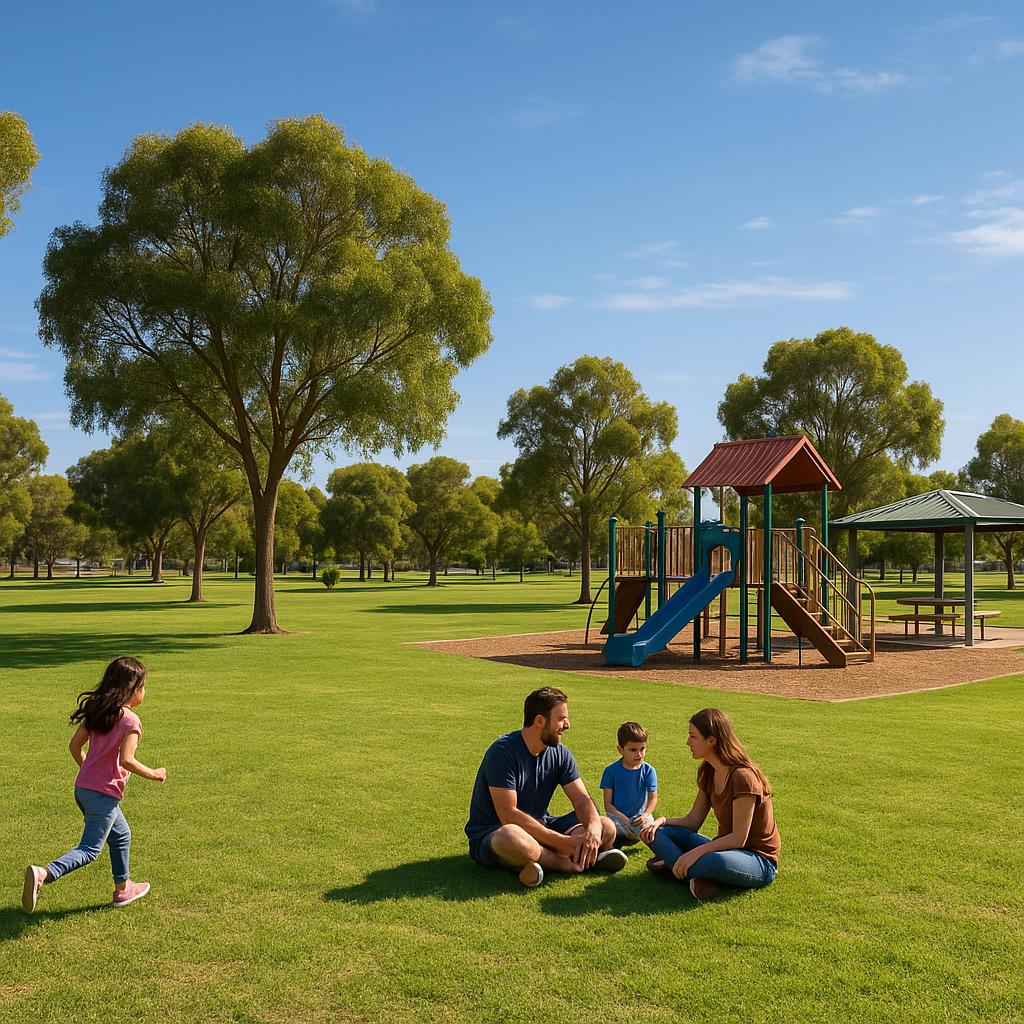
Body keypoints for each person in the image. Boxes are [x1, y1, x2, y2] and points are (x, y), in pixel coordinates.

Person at [22, 656, 167, 913]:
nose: (144, 692)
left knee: (121, 834)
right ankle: (44, 873)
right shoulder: (130, 720)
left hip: (83, 789)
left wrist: (90, 772)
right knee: (89, 849)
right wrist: (154, 773)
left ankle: (123, 890)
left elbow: (74, 746)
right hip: (102, 794)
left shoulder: (98, 711)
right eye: (143, 687)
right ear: (131, 690)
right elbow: (127, 760)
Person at [466, 686, 627, 887]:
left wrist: (593, 829)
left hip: (542, 826)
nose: (567, 725)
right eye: (561, 719)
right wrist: (562, 842)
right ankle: (569, 864)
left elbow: (582, 799)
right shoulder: (503, 752)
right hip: (495, 833)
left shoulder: (559, 753)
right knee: (512, 838)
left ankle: (538, 863)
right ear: (540, 721)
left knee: (607, 827)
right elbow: (508, 815)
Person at [640, 707, 779, 902]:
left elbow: (739, 839)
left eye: (693, 736)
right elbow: (693, 821)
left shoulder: (743, 778)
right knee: (656, 834)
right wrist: (661, 821)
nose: (688, 742)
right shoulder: (708, 772)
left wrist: (694, 854)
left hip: (757, 859)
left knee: (713, 860)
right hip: (724, 848)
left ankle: (676, 866)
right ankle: (693, 874)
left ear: (711, 740)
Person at [600, 721, 658, 845]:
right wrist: (625, 820)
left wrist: (646, 815)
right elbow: (608, 805)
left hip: (640, 820)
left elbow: (653, 798)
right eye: (633, 750)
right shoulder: (610, 771)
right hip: (618, 820)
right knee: (605, 826)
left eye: (642, 749)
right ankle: (611, 847)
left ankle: (659, 852)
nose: (639, 754)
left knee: (654, 828)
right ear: (620, 750)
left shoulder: (649, 771)